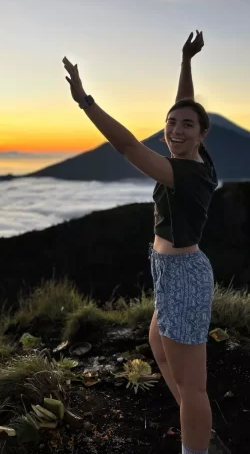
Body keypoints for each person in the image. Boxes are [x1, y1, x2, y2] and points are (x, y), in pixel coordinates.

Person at [62, 31, 231, 454]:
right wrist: (186, 61)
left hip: (182, 277)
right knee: (159, 344)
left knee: (193, 386)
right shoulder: (195, 158)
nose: (175, 129)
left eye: (186, 126)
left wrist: (86, 101)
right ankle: (196, 425)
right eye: (170, 122)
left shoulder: (184, 173)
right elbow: (186, 110)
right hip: (173, 272)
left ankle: (197, 442)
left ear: (202, 134)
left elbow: (127, 145)